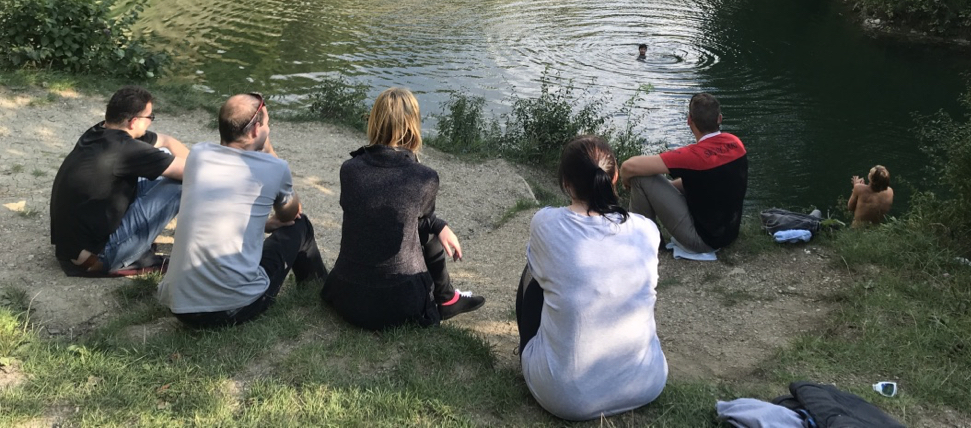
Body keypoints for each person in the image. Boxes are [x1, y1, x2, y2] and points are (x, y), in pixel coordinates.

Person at [517, 135, 667, 421]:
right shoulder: (647, 229)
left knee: (534, 271)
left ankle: (527, 353)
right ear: (615, 176)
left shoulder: (547, 223)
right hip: (648, 382)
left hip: (566, 398)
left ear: (566, 183)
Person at [158, 93, 327, 327]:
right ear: (256, 130)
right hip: (230, 309)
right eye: (267, 124)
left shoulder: (199, 154)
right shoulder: (275, 167)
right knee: (301, 226)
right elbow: (291, 213)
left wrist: (264, 224)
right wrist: (267, 149)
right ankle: (316, 288)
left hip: (180, 306)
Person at [322, 87, 484, 330]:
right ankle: (447, 297)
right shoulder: (424, 177)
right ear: (413, 125)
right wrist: (440, 225)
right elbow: (422, 222)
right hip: (400, 304)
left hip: (347, 296)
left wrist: (438, 224)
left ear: (374, 120)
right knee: (424, 229)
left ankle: (448, 296)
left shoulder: (350, 169)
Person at [50, 85, 188, 276]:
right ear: (133, 122)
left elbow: (164, 141)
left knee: (162, 155)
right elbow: (193, 172)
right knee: (180, 185)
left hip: (73, 249)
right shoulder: (126, 150)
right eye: (149, 118)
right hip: (97, 258)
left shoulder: (99, 132)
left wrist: (171, 142)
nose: (150, 123)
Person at [620, 92, 748, 253]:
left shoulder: (693, 155)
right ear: (719, 119)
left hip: (702, 241)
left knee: (640, 178)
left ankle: (642, 240)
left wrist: (626, 181)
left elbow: (628, 167)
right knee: (654, 180)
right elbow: (707, 180)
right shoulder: (736, 144)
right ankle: (644, 237)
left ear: (689, 121)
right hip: (729, 235)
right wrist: (664, 190)